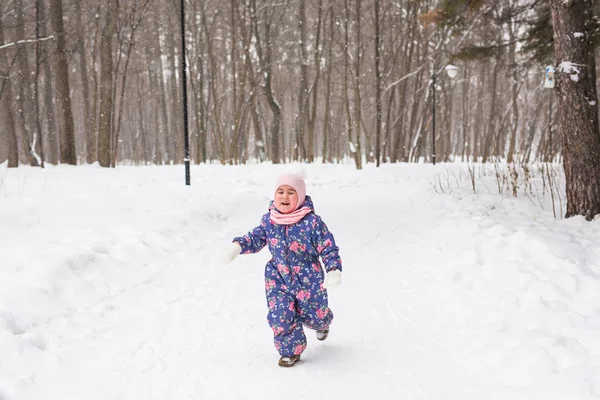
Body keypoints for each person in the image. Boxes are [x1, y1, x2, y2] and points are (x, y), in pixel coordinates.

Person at [220, 172, 342, 367]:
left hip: (308, 279)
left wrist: (333, 269)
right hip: (278, 278)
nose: (285, 196)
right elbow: (255, 238)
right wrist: (238, 246)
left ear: (300, 196)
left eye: (291, 192)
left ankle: (323, 323)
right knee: (280, 314)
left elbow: (328, 247)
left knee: (315, 316)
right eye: (280, 191)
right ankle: (290, 351)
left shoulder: (313, 223)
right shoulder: (270, 220)